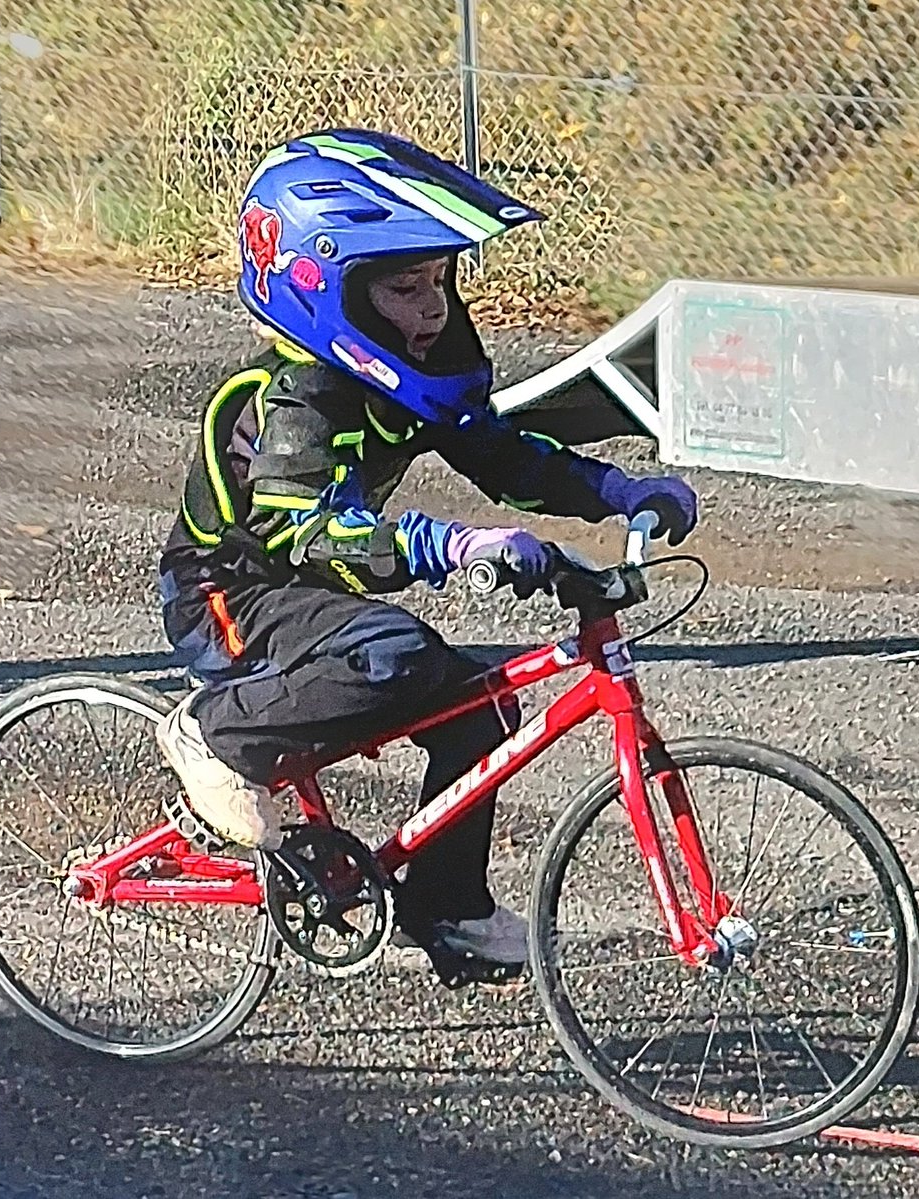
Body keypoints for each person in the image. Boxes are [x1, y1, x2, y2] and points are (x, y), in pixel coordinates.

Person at [154, 129, 697, 981]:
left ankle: (447, 906)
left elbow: (504, 458)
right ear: (326, 288)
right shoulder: (294, 401)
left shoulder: (403, 373)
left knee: (479, 706)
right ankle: (217, 733)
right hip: (228, 594)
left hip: (309, 592)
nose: (433, 308)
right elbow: (314, 533)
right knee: (394, 651)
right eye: (405, 288)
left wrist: (617, 491)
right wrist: (451, 544)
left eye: (440, 281)